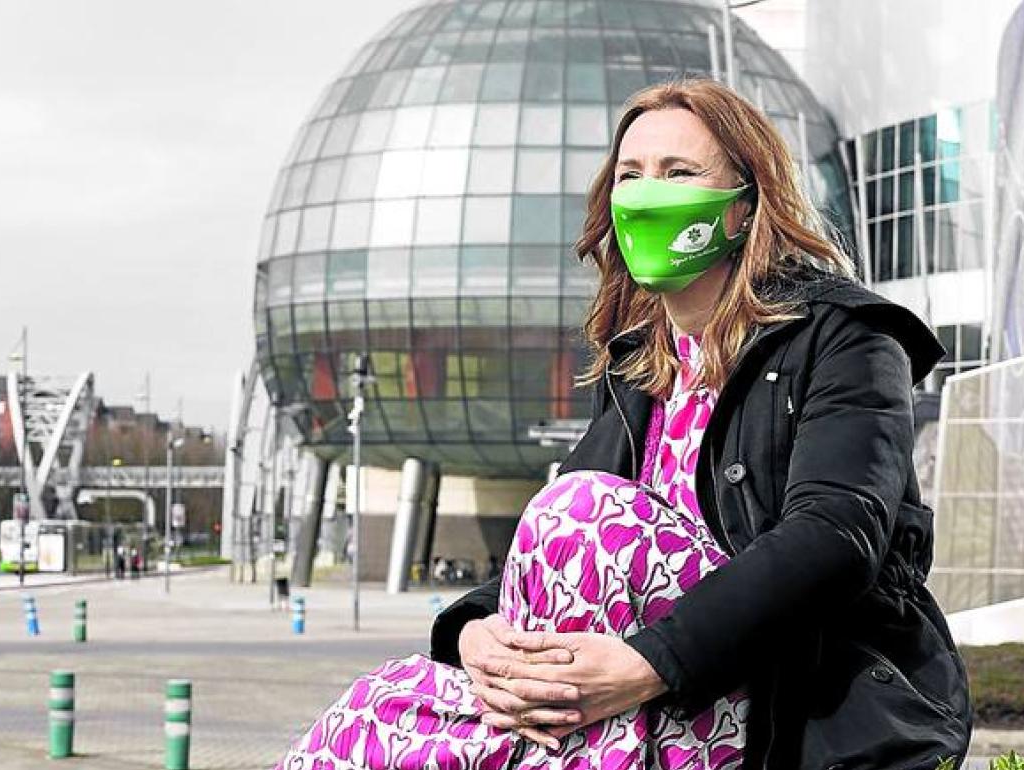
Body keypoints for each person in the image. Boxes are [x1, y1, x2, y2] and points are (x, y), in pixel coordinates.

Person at [271, 78, 972, 770]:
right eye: (630, 176)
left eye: (678, 173)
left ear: (744, 205)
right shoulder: (642, 364)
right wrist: (478, 632)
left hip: (770, 696)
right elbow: (546, 555)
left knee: (581, 509)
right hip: (607, 695)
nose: (645, 195)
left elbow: (834, 537)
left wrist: (645, 663)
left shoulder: (847, 337)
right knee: (372, 709)